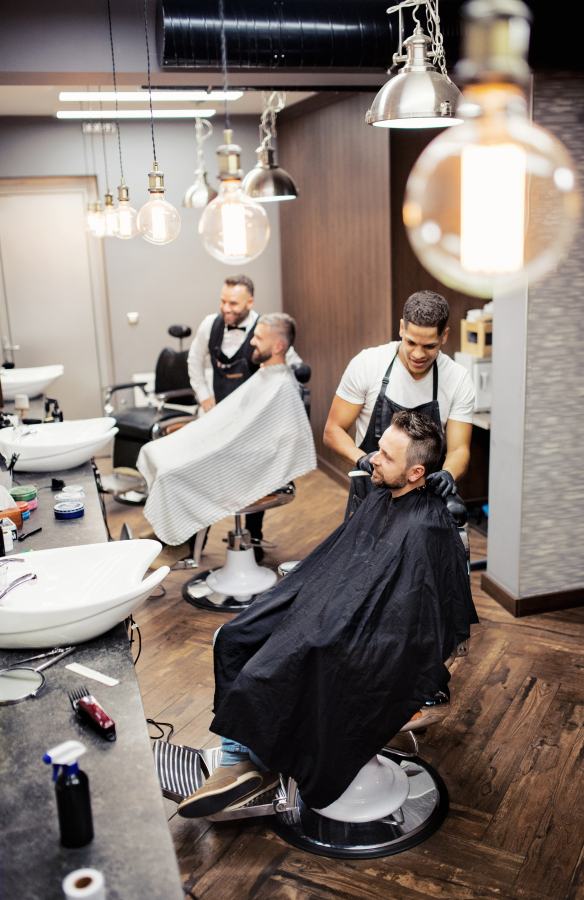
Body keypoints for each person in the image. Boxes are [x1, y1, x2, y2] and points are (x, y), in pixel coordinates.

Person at [177, 409, 477, 819]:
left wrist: (329, 629)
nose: (373, 458)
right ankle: (243, 760)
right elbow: (343, 562)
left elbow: (413, 620)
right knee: (232, 636)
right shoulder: (382, 498)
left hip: (361, 642)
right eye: (379, 449)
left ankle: (253, 762)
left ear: (415, 472)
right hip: (334, 610)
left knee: (269, 667)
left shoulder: (428, 527)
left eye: (386, 457)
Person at [137, 314, 316, 550]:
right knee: (155, 450)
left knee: (171, 472)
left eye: (258, 338)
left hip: (244, 458)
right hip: (230, 443)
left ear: (278, 346)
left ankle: (179, 543)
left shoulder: (282, 386)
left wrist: (220, 446)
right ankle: (176, 535)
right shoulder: (265, 375)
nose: (251, 342)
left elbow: (283, 441)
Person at [323, 290, 475, 518]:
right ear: (402, 328)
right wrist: (361, 458)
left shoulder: (458, 378)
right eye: (411, 342)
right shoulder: (367, 364)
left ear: (444, 335)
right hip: (369, 496)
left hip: (426, 503)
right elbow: (332, 431)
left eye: (430, 346)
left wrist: (449, 473)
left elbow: (459, 449)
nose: (418, 354)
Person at [187, 275, 304, 551]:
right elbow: (194, 362)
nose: (226, 308)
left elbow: (292, 362)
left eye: (233, 303)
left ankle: (252, 537)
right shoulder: (210, 325)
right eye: (223, 301)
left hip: (252, 424)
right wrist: (206, 400)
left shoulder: (266, 331)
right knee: (203, 473)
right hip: (219, 417)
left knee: (253, 479)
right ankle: (193, 542)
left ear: (250, 302)